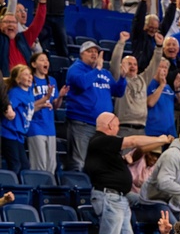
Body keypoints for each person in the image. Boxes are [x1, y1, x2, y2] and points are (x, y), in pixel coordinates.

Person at [86, 112, 172, 234]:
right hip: (110, 197)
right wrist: (160, 140)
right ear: (110, 125)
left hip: (120, 198)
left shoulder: (105, 147)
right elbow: (132, 141)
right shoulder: (101, 140)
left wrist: (125, 160)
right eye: (117, 124)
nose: (118, 128)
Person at [65, 41, 126, 172]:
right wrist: (97, 69)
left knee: (99, 162)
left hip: (102, 128)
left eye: (96, 52)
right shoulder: (75, 69)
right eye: (90, 51)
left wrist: (122, 78)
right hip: (82, 123)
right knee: (79, 162)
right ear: (81, 54)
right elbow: (82, 83)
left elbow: (118, 92)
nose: (94, 54)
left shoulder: (105, 73)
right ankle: (78, 188)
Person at [16, 0, 82, 57]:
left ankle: (63, 67)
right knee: (42, 48)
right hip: (41, 17)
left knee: (63, 49)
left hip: (59, 17)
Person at [111, 30, 163, 137]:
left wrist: (159, 46)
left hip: (142, 128)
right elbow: (115, 60)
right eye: (129, 64)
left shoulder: (143, 79)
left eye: (135, 64)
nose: (133, 66)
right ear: (122, 66)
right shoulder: (118, 78)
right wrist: (121, 43)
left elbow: (155, 64)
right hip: (124, 127)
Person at [27, 51, 62, 172]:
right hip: (35, 126)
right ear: (33, 64)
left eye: (46, 60)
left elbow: (56, 106)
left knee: (51, 165)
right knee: (39, 164)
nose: (46, 62)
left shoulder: (52, 81)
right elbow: (28, 106)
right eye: (42, 60)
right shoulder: (29, 81)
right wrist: (44, 100)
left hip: (50, 127)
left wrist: (61, 96)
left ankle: (48, 189)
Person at [0, 0, 45, 76]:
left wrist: (42, 3)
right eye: (7, 22)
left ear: (17, 26)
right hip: (7, 82)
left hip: (26, 81)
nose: (11, 25)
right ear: (0, 25)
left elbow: (37, 24)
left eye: (13, 22)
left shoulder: (24, 38)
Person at [1, 64, 36, 173]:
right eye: (26, 74)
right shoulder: (15, 93)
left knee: (25, 166)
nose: (30, 77)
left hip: (19, 136)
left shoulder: (30, 92)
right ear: (18, 79)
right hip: (9, 133)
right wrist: (9, 112)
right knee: (15, 165)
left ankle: (22, 189)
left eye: (30, 74)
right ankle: (10, 188)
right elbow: (6, 109)